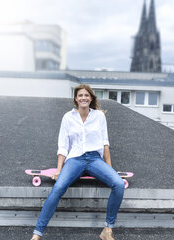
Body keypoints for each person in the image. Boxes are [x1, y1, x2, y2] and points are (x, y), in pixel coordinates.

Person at [31, 84, 125, 240]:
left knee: (119, 184)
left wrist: (109, 169)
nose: (83, 98)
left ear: (91, 98)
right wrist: (59, 169)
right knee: (59, 187)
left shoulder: (99, 116)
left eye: (86, 95)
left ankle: (107, 229)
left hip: (95, 159)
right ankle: (37, 233)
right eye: (80, 95)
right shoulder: (68, 117)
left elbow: (105, 143)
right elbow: (63, 146)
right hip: (75, 159)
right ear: (76, 98)